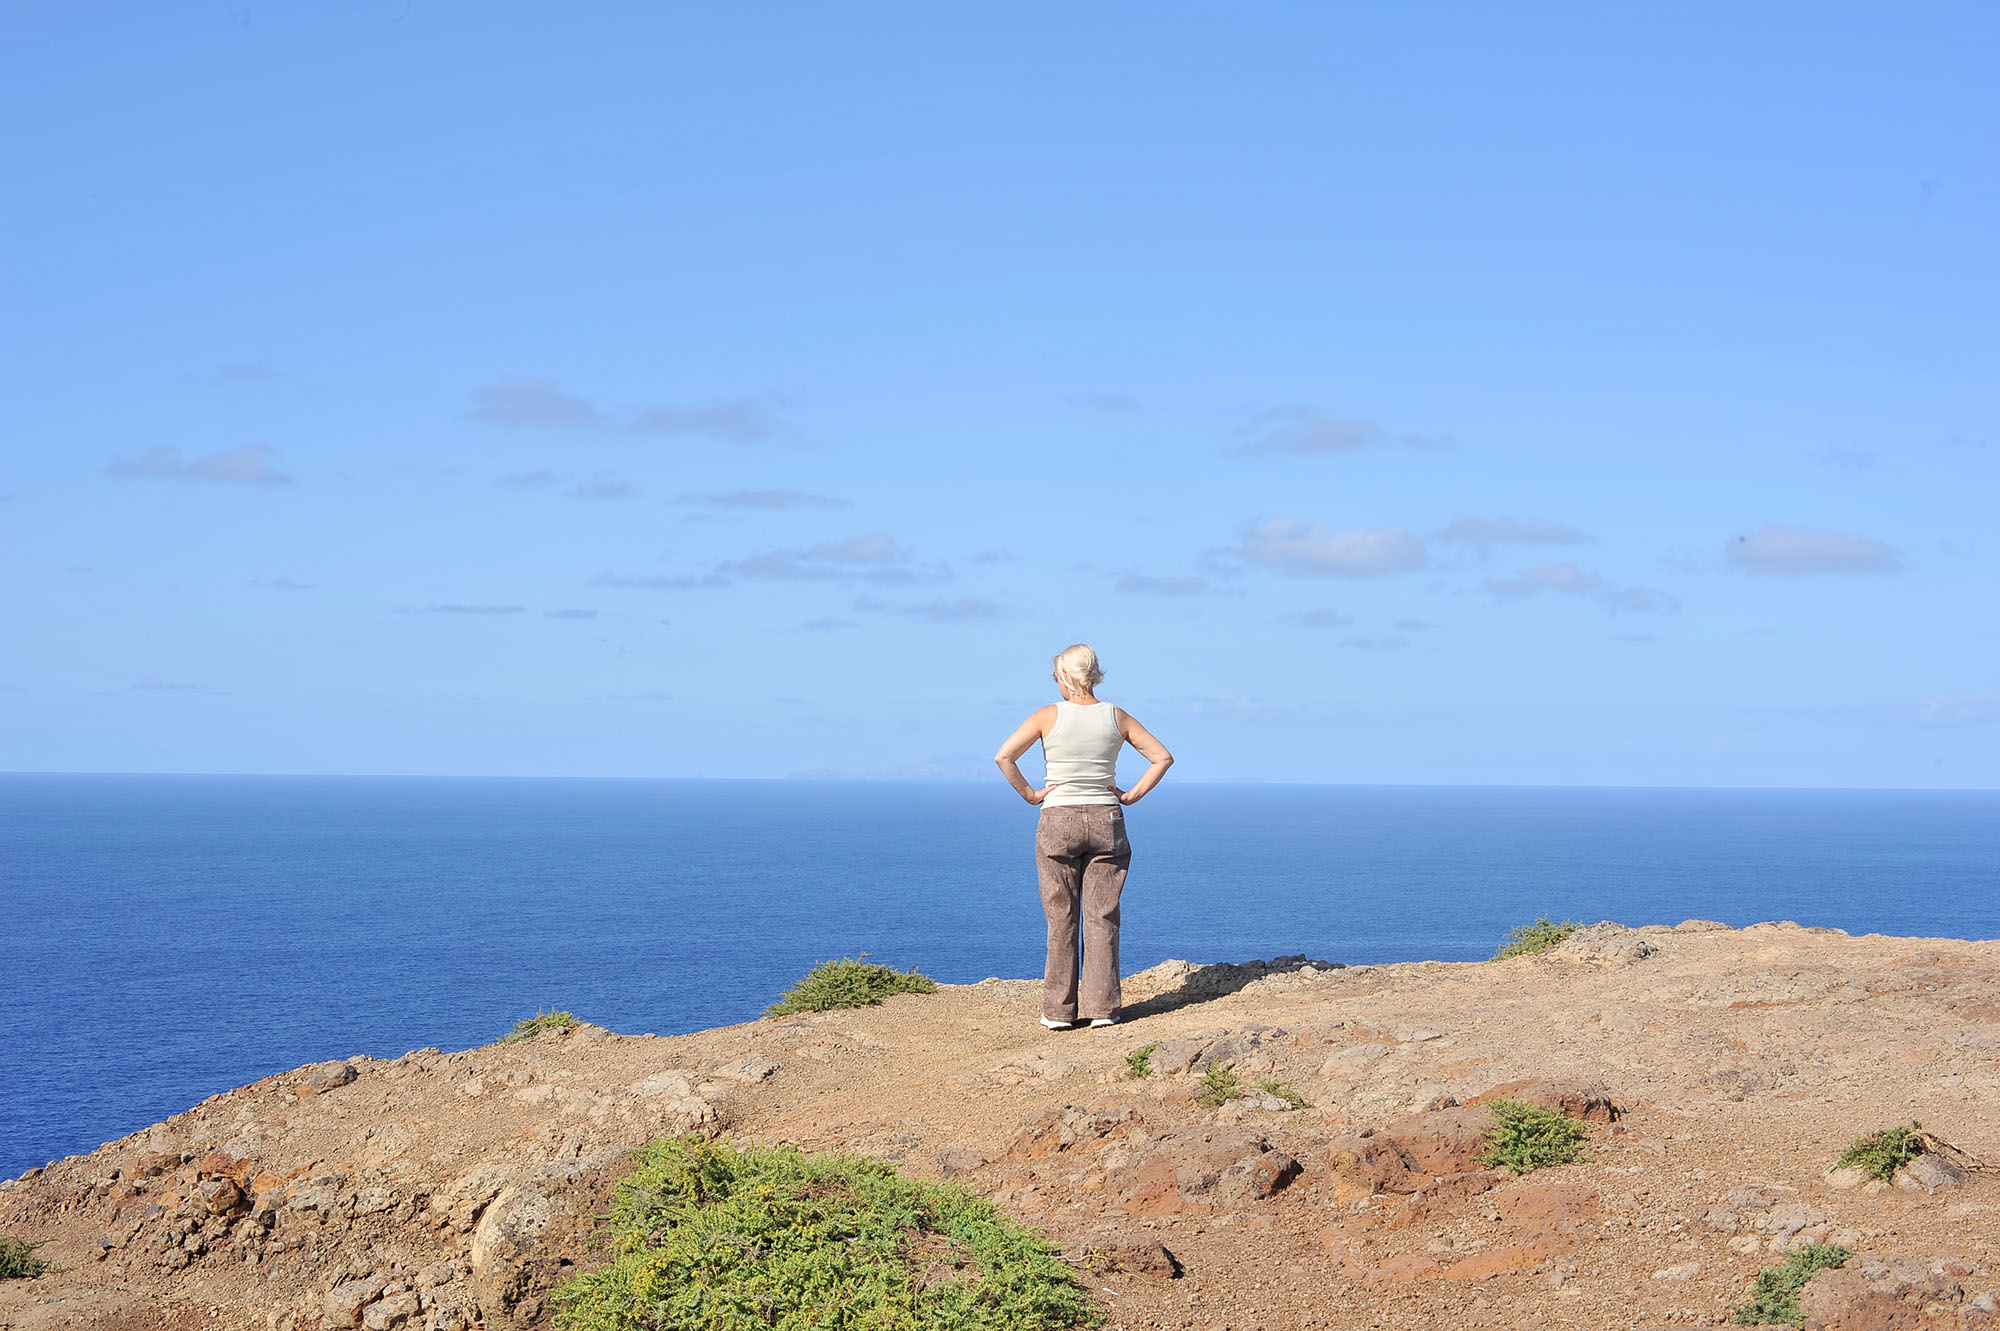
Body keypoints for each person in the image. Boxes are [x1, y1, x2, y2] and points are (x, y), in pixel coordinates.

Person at [994, 644, 1174, 1031]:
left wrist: (1031, 795)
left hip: (1057, 816)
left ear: (1064, 677)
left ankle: (1058, 1013)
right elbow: (1162, 757)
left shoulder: (1048, 716)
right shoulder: (1116, 716)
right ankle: (1103, 1009)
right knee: (1102, 916)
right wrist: (1129, 795)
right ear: (1094, 676)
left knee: (1061, 919)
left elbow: (1004, 757)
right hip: (1106, 816)